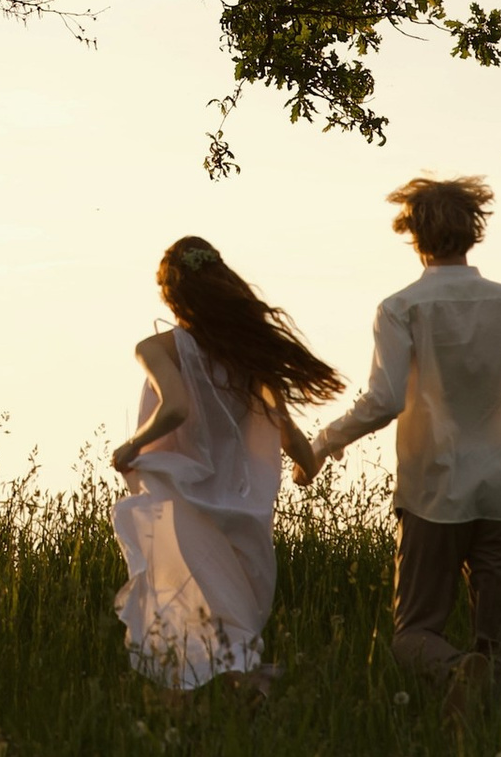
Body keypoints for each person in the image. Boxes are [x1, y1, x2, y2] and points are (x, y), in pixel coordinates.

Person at [293, 174, 501, 711]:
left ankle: (457, 672)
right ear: (474, 232)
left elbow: (384, 401)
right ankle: (489, 753)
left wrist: (321, 446)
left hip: (433, 495)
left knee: (413, 635)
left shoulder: (402, 308)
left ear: (414, 236)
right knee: (499, 644)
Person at [109, 236, 341, 690]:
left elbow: (173, 408)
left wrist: (132, 446)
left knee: (177, 611)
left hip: (183, 502)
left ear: (170, 294)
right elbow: (288, 431)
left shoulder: (159, 348)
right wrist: (307, 465)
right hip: (240, 506)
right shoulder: (247, 353)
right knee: (234, 624)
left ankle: (193, 720)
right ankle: (249, 697)